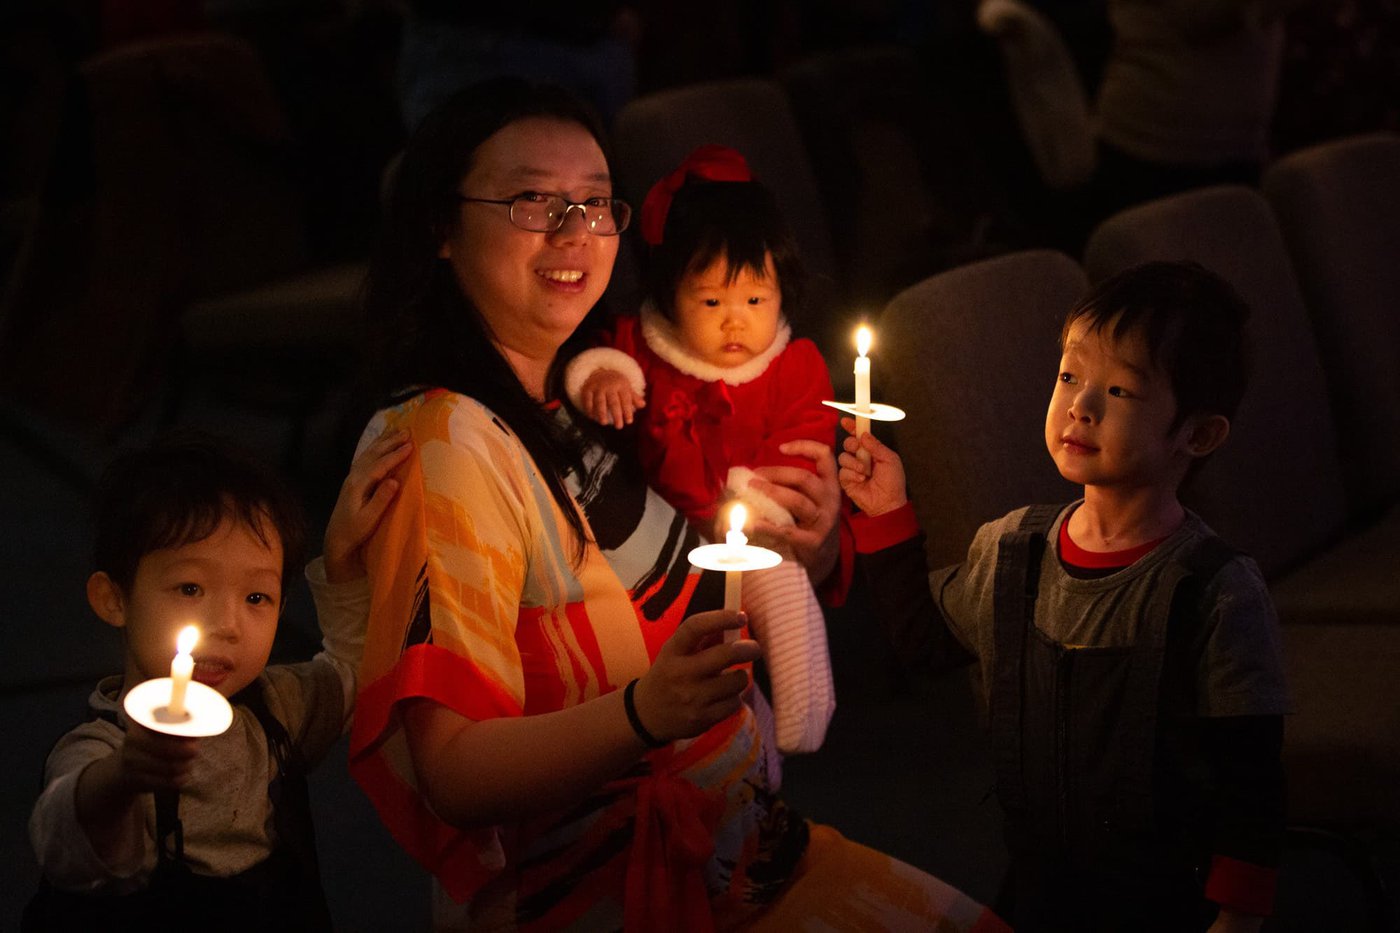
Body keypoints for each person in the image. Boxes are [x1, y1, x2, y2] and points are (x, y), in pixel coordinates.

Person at [349, 75, 1009, 932]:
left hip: (738, 845)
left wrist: (800, 546)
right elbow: (455, 771)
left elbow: (676, 555)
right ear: (442, 225)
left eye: (594, 203)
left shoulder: (577, 392)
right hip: (622, 885)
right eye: (530, 202)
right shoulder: (450, 447)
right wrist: (641, 712)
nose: (574, 232)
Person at [839, 260, 1289, 932]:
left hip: (1164, 902)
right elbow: (924, 642)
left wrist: (1235, 917)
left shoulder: (1215, 592)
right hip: (1041, 892)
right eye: (1070, 376)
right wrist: (887, 514)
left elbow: (1252, 785)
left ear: (1197, 434)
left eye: (1121, 390)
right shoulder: (1014, 550)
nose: (1080, 405)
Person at [26, 428, 410, 932]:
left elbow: (355, 672)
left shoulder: (276, 708)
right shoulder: (102, 745)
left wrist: (340, 557)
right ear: (114, 599)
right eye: (190, 587)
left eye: (257, 598)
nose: (227, 625)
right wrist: (123, 777)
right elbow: (61, 838)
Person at [563, 143, 836, 755]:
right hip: (662, 549)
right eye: (711, 302)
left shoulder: (793, 366)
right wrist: (600, 378)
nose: (735, 322)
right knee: (707, 675)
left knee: (780, 586)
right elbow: (603, 364)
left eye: (755, 301)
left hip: (754, 538)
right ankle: (745, 749)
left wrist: (760, 504)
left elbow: (803, 443)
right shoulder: (648, 350)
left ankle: (804, 707)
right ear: (668, 295)